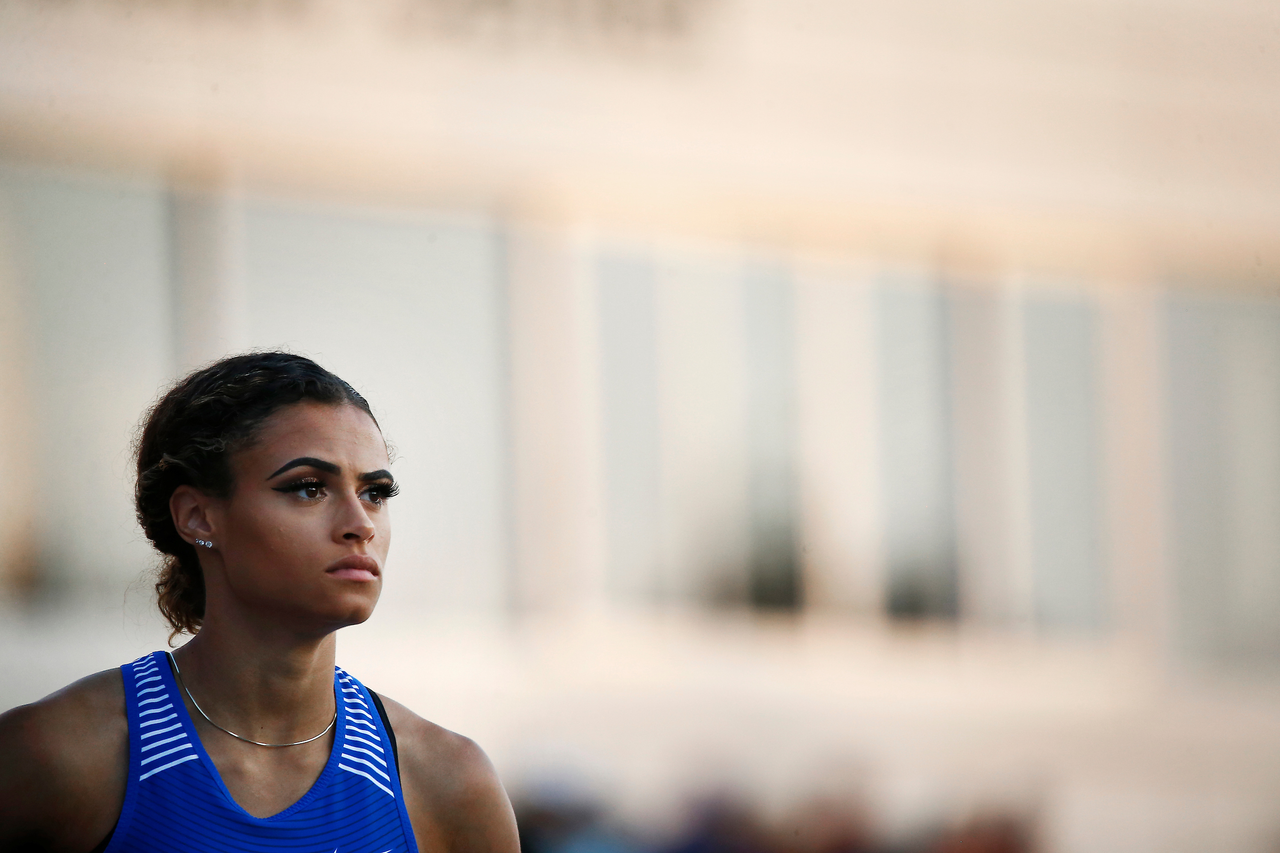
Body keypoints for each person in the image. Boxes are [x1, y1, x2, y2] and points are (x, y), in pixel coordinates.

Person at [0, 352, 520, 853]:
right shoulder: (57, 757)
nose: (360, 524)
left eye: (375, 493)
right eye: (308, 488)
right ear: (198, 516)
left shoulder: (447, 784)